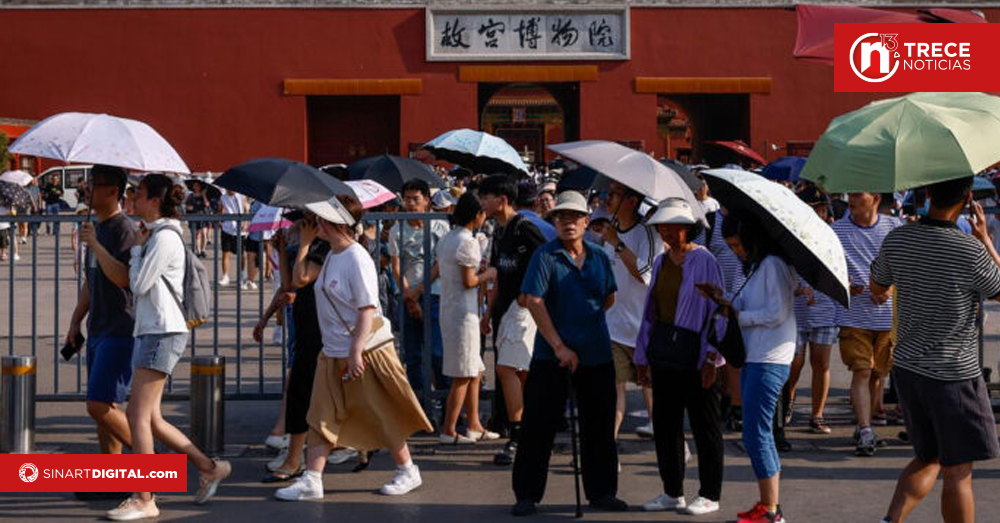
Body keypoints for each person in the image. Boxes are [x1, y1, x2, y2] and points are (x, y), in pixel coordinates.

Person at [275, 194, 433, 502]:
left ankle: (407, 469)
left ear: (336, 221)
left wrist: (356, 351)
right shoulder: (333, 254)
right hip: (334, 351)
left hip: (362, 352)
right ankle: (312, 478)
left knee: (380, 413)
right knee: (320, 416)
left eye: (320, 218)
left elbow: (367, 308)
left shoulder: (356, 257)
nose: (315, 222)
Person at [871, 177, 1000, 523]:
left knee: (928, 457)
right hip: (953, 374)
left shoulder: (898, 238)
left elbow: (877, 285)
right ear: (968, 198)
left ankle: (889, 521)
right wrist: (986, 241)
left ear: (927, 193)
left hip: (908, 369)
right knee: (958, 470)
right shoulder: (969, 249)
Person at [106, 174, 231, 521]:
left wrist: (136, 249)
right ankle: (209, 467)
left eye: (139, 194)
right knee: (151, 417)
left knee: (137, 415)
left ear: (155, 201)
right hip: (156, 329)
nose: (133, 200)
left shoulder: (163, 237)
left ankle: (144, 497)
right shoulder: (157, 234)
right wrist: (140, 246)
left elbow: (139, 284)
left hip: (162, 330)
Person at [511, 190, 626, 517]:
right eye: (562, 217)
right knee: (538, 425)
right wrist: (560, 345)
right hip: (551, 355)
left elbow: (609, 298)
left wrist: (585, 327)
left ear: (587, 222)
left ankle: (602, 491)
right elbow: (533, 301)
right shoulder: (545, 256)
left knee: (599, 424)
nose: (568, 222)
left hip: (596, 352)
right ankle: (527, 494)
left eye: (575, 217)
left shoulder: (599, 256)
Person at [701, 210, 795, 523]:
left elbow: (776, 312)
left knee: (757, 434)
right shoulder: (758, 265)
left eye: (737, 245)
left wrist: (740, 316)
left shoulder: (773, 265)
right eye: (730, 246)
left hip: (770, 357)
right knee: (757, 433)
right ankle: (768, 506)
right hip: (757, 356)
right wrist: (723, 298)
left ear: (753, 239)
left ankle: (771, 511)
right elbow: (750, 305)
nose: (736, 251)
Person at [634, 198, 725, 516]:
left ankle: (710, 494)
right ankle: (672, 491)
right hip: (665, 352)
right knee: (665, 426)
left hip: (697, 355)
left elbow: (718, 311)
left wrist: (712, 358)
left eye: (673, 226)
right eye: (662, 226)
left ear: (688, 228)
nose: (666, 232)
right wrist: (642, 356)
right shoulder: (661, 262)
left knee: (705, 427)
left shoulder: (705, 260)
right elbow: (651, 312)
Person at [69, 165, 136, 499]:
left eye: (94, 184)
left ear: (113, 191)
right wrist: (75, 321)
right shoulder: (96, 227)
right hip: (98, 327)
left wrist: (95, 245)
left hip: (121, 327)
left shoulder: (124, 229)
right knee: (104, 409)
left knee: (97, 405)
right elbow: (91, 281)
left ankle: (151, 461)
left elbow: (123, 278)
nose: (87, 190)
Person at [254, 213, 329, 481]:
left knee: (302, 392)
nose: (296, 224)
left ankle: (295, 459)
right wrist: (283, 249)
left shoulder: (324, 246)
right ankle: (298, 458)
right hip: (305, 326)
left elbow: (301, 278)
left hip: (321, 330)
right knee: (304, 392)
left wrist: (305, 244)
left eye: (301, 218)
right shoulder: (307, 244)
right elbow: (287, 285)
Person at [479, 174, 547, 466]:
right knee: (519, 372)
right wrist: (488, 312)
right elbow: (498, 273)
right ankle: (529, 430)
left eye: (486, 197)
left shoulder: (525, 228)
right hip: (504, 311)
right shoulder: (499, 231)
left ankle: (519, 435)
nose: (482, 203)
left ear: (502, 199)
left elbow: (546, 259)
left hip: (523, 310)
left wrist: (527, 294)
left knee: (507, 368)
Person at [832, 192, 900, 456]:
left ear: (875, 198)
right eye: (850, 193)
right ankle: (865, 428)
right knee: (862, 370)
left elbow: (904, 266)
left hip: (886, 318)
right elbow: (831, 267)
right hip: (853, 316)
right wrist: (845, 285)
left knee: (877, 374)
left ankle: (865, 424)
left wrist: (889, 287)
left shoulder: (894, 227)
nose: (851, 198)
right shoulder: (837, 230)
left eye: (859, 193)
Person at [602, 181, 663, 442]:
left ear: (632, 200)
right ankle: (607, 450)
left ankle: (671, 443)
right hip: (612, 327)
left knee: (651, 390)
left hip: (642, 328)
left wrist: (617, 243)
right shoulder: (609, 232)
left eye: (614, 194)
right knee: (613, 391)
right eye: (608, 193)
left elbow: (645, 275)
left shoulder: (648, 233)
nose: (607, 198)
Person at [435, 193, 498, 443]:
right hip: (463, 313)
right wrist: (489, 274)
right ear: (476, 216)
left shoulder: (447, 238)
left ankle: (474, 424)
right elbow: (469, 281)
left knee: (474, 370)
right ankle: (449, 429)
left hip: (452, 309)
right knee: (463, 373)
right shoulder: (467, 241)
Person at [392, 179, 450, 402]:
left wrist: (418, 291)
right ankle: (420, 406)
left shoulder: (440, 226)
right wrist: (410, 297)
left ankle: (447, 405)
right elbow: (396, 267)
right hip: (407, 295)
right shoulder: (397, 229)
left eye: (415, 199)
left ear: (427, 200)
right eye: (406, 199)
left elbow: (440, 263)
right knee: (413, 355)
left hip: (434, 294)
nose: (410, 204)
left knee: (437, 352)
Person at [787, 186, 837, 434]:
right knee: (794, 363)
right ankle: (787, 402)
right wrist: (797, 288)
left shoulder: (833, 236)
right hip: (795, 310)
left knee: (821, 362)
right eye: (813, 209)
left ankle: (817, 414)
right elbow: (784, 272)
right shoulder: (791, 237)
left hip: (826, 308)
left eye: (822, 209)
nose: (819, 214)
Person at [217, 189, 248, 287]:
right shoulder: (223, 197)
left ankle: (242, 274)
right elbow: (220, 210)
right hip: (227, 228)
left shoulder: (241, 196)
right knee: (226, 252)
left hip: (240, 229)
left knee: (241, 253)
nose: (229, 190)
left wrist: (245, 222)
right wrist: (220, 217)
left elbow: (246, 209)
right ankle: (225, 276)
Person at [184, 181, 210, 258]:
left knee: (204, 234)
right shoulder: (191, 196)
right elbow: (187, 207)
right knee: (197, 235)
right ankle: (198, 251)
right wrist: (190, 207)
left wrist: (204, 195)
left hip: (203, 216)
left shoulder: (204, 195)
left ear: (200, 187)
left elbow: (207, 205)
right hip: (194, 216)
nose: (196, 187)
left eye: (197, 185)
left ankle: (203, 250)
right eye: (194, 186)